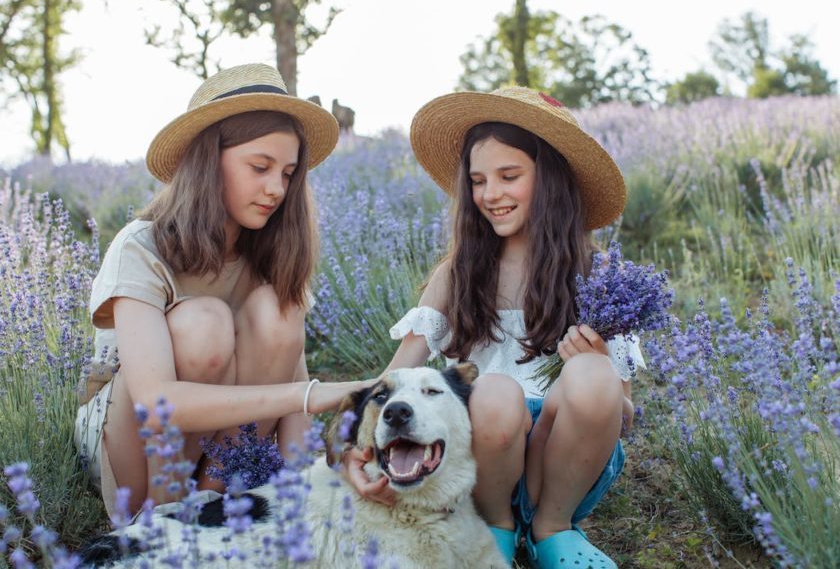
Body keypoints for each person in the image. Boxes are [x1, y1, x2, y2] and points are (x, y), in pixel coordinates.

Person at [344, 87, 644, 568]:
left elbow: (623, 414)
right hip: (480, 462)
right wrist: (355, 440)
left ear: (550, 181)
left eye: (509, 176)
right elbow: (397, 378)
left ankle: (554, 531)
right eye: (478, 180)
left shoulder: (597, 277)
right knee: (495, 392)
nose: (490, 194)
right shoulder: (458, 273)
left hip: (567, 463)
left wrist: (600, 362)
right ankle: (492, 531)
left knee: (592, 375)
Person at [74, 63, 373, 520]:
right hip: (131, 451)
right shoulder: (143, 245)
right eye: (260, 167)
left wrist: (305, 497)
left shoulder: (272, 252)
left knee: (278, 308)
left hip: (222, 457)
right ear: (210, 159)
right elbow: (155, 407)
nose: (276, 188)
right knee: (203, 323)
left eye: (288, 173)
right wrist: (310, 395)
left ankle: (214, 504)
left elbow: (294, 382)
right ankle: (161, 515)